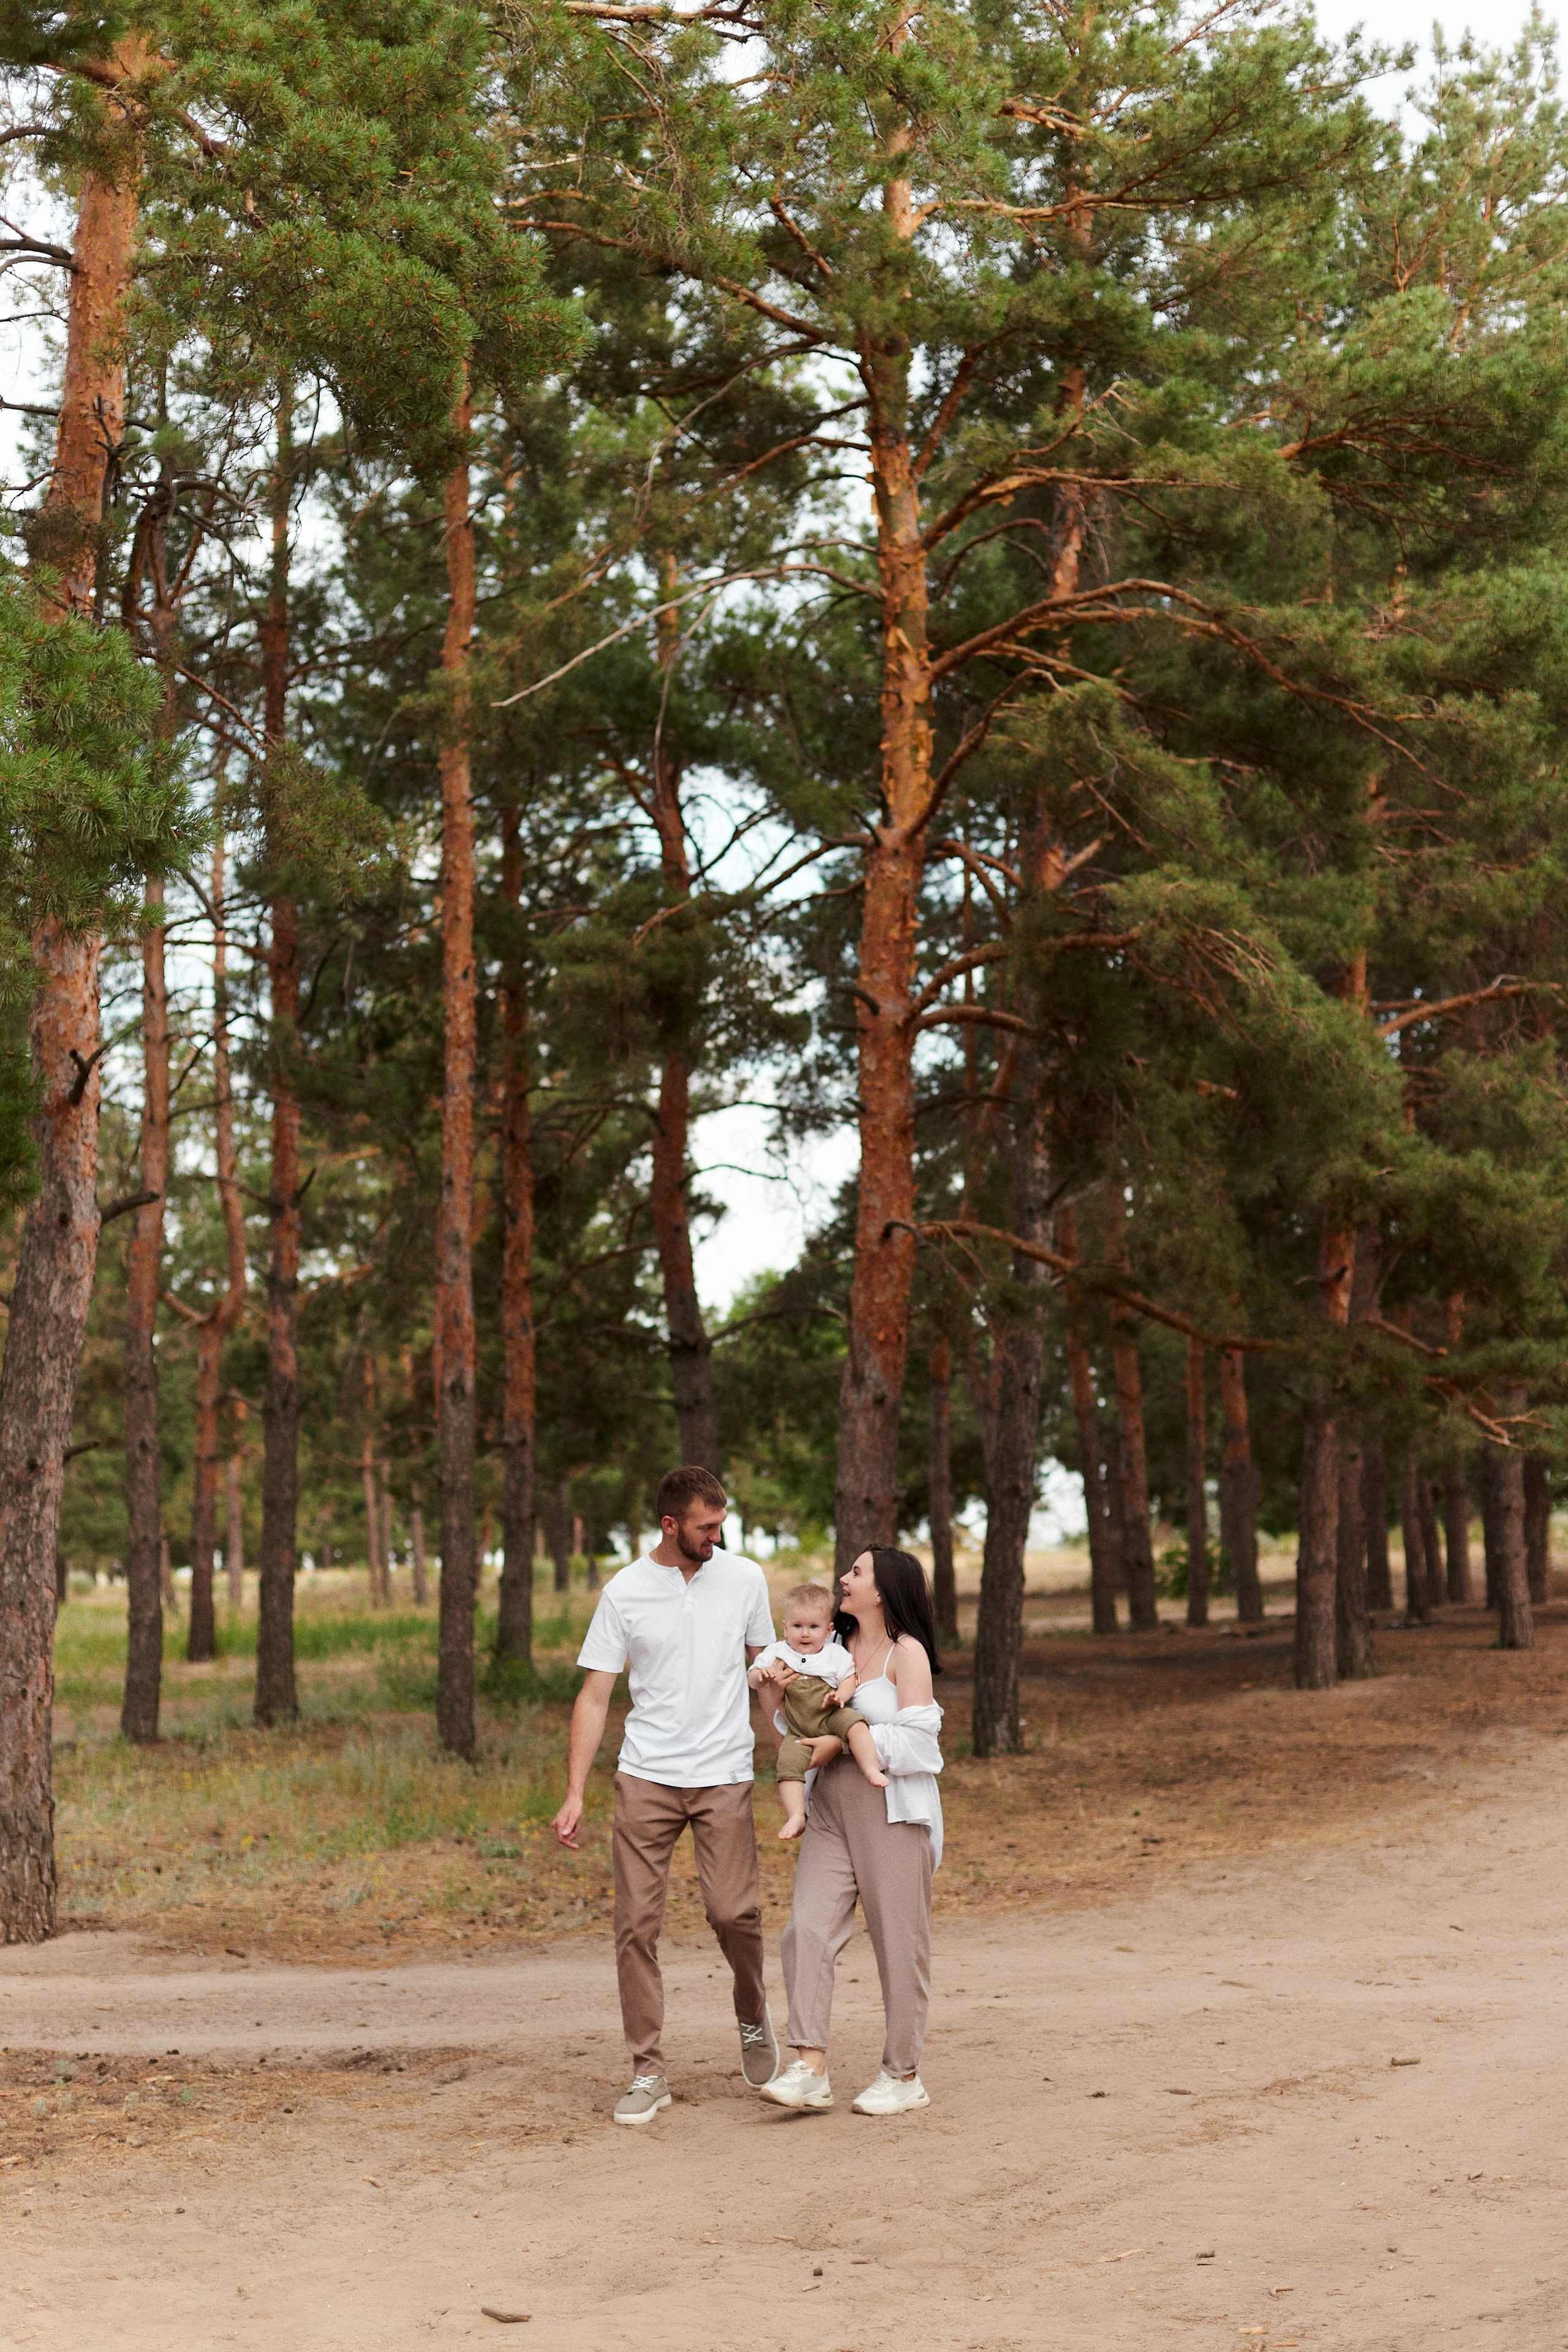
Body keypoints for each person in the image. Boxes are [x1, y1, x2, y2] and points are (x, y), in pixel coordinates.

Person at [552, 1464, 782, 2125]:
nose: (718, 1537)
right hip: (646, 1776)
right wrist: (574, 1792)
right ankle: (648, 2071)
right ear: (670, 1524)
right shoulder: (624, 1591)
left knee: (734, 1914)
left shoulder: (744, 1579)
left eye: (721, 1524)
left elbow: (769, 1676)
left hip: (723, 1773)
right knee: (635, 1927)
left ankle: (751, 2012)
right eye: (706, 1527)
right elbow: (595, 1695)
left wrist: (794, 1762)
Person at [761, 1545, 944, 2119]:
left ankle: (903, 2075)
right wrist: (773, 1692)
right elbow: (792, 1727)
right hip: (830, 1808)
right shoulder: (828, 1647)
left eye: (857, 1572)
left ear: (883, 1591)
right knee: (806, 1930)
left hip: (890, 1809)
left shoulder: (906, 1653)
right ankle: (810, 2069)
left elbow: (922, 1746)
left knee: (899, 1944)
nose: (844, 1578)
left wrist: (842, 1742)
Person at [747, 1582, 886, 1841]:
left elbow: (849, 1679)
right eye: (797, 1626)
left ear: (828, 1630)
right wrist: (761, 1676)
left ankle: (870, 1768)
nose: (805, 1634)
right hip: (797, 1725)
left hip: (830, 1714)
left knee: (857, 1725)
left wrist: (840, 1695)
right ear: (785, 1628)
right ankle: (796, 1815)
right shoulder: (777, 1652)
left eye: (814, 1627)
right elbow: (752, 1677)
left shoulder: (835, 1654)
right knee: (788, 1765)